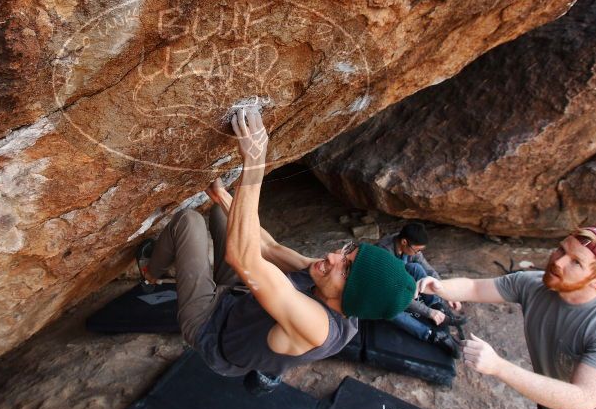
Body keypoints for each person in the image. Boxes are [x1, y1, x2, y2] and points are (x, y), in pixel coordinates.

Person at [140, 107, 416, 383]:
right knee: (222, 216)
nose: (333, 257)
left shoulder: (318, 328)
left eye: (345, 269)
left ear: (351, 297)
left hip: (212, 330)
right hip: (237, 302)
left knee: (189, 222)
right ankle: (205, 236)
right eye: (346, 253)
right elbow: (270, 248)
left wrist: (255, 164)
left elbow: (243, 259)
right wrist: (222, 197)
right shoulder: (326, 280)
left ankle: (151, 273)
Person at [418, 227, 596, 409]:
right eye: (561, 249)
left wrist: (498, 366)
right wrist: (440, 287)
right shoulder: (534, 285)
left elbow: (581, 400)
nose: (558, 261)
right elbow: (475, 287)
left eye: (576, 262)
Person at [376, 224, 464, 357]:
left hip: (398, 277)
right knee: (391, 309)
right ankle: (432, 335)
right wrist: (428, 313)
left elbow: (428, 270)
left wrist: (446, 292)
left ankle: (438, 307)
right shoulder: (383, 254)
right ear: (404, 242)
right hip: (380, 292)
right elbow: (399, 296)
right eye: (417, 250)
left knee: (417, 267)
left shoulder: (407, 246)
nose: (418, 253)